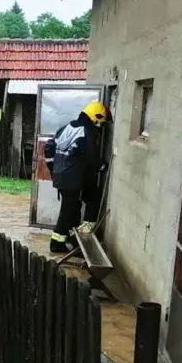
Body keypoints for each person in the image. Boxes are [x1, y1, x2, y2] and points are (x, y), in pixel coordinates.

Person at [43, 101, 110, 253]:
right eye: (100, 121)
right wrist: (101, 166)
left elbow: (51, 147)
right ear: (95, 117)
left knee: (73, 207)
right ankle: (56, 243)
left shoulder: (67, 127)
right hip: (72, 177)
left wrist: (54, 170)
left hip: (61, 175)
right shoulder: (87, 131)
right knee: (69, 209)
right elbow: (91, 155)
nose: (100, 126)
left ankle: (73, 240)